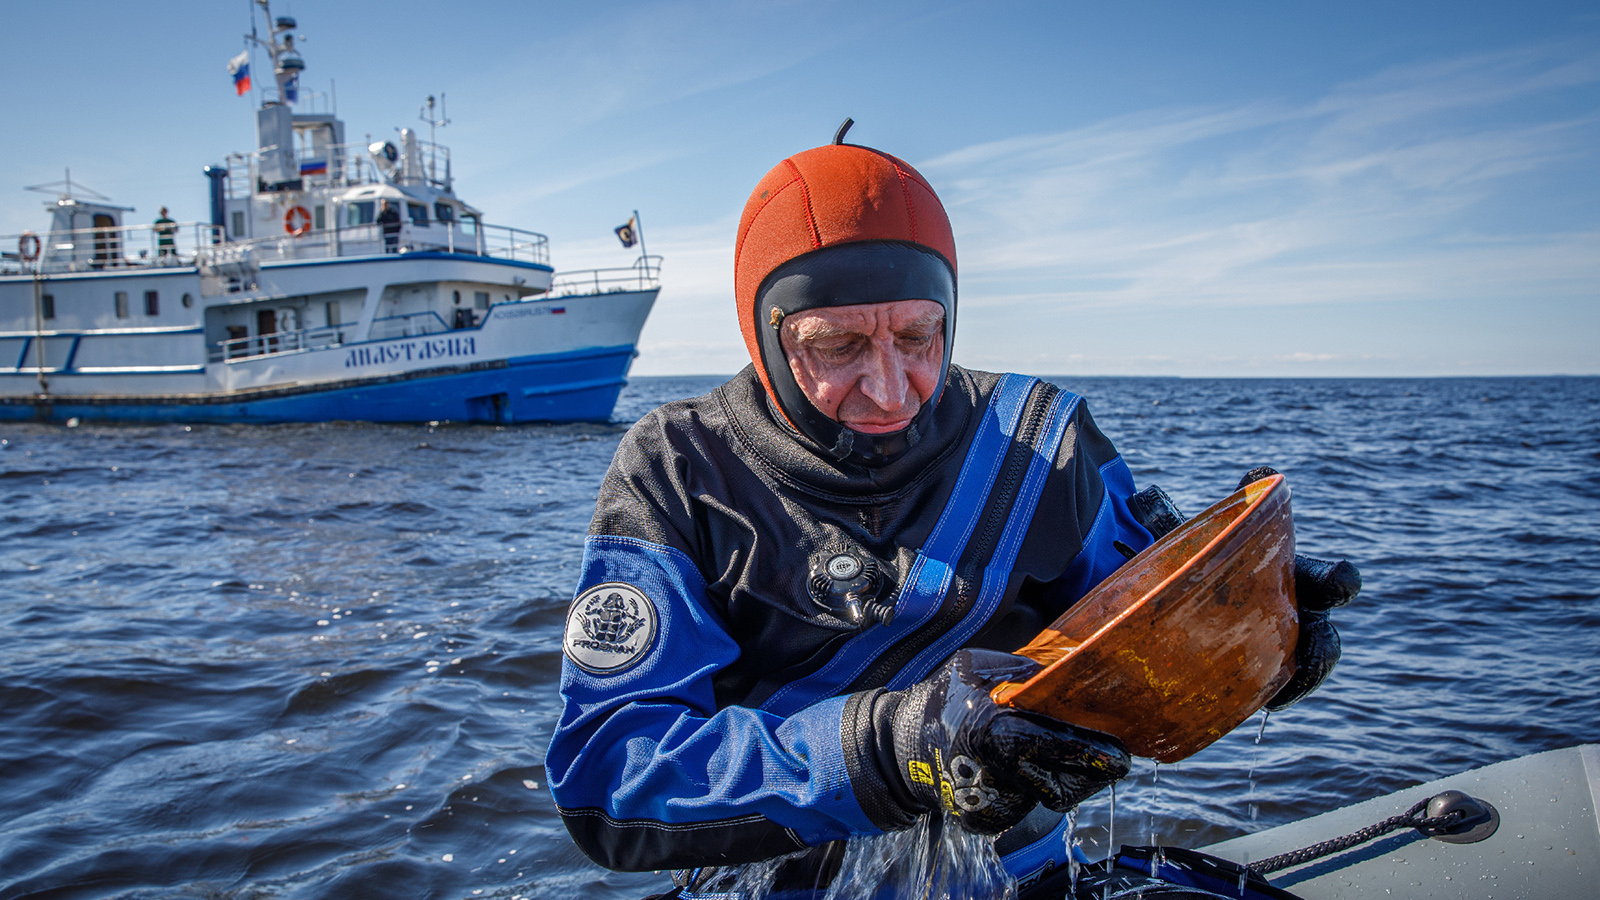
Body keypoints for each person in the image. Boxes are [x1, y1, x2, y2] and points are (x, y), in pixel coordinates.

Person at [547, 129, 1360, 899]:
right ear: (765, 335)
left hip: (1016, 873)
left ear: (950, 313)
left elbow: (1140, 651)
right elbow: (608, 775)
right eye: (837, 347)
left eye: (917, 335)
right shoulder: (681, 468)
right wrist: (888, 751)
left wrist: (1251, 643)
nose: (890, 388)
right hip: (771, 877)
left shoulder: (1044, 445)